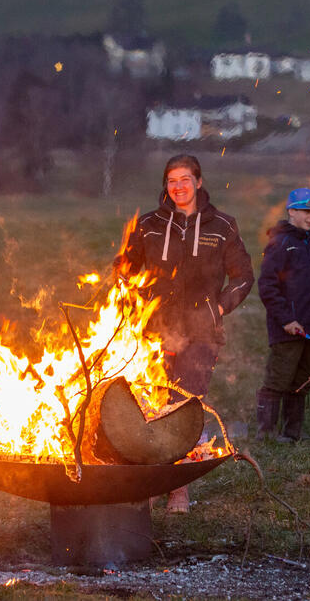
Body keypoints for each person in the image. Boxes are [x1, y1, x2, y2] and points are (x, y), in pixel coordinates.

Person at [118, 154, 254, 512]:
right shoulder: (148, 224)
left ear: (199, 182)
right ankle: (150, 479)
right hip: (153, 331)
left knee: (184, 406)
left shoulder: (222, 226)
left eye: (185, 179)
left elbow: (243, 277)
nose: (178, 187)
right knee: (149, 407)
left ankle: (178, 488)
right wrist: (133, 297)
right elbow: (125, 271)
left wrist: (217, 309)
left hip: (200, 334)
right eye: (171, 180)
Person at [255, 188, 310, 442]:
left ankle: (292, 432)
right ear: (292, 211)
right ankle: (265, 434)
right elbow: (267, 286)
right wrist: (286, 319)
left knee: (302, 380)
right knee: (278, 379)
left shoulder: (307, 244)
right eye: (307, 211)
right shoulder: (281, 243)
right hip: (287, 329)